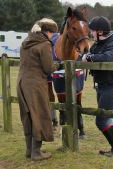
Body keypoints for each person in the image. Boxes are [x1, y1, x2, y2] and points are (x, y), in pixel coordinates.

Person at [17, 18, 63, 161]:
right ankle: (36, 153)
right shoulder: (44, 44)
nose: (52, 37)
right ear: (47, 32)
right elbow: (48, 68)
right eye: (51, 34)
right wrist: (59, 65)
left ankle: (29, 150)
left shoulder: (26, 42)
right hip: (35, 85)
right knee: (40, 114)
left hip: (22, 83)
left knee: (28, 115)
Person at [84, 16, 113, 157]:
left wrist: (91, 58)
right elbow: (89, 54)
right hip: (101, 86)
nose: (91, 33)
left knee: (100, 119)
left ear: (100, 31)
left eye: (93, 31)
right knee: (107, 117)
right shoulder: (97, 44)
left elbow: (110, 56)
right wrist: (86, 56)